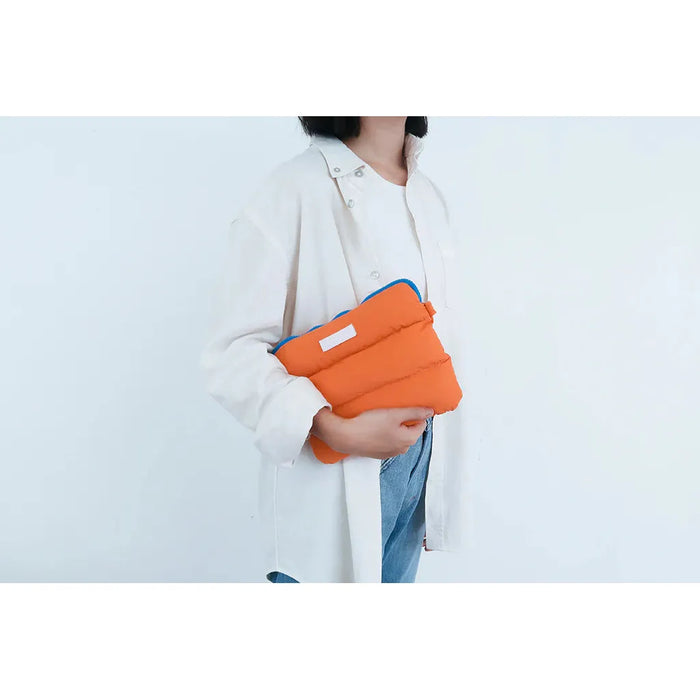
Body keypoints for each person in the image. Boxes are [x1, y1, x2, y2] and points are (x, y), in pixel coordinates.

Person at [200, 117, 465, 583]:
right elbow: (232, 353)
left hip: (417, 468)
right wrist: (330, 428)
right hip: (333, 472)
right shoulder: (292, 190)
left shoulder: (428, 197)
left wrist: (433, 483)